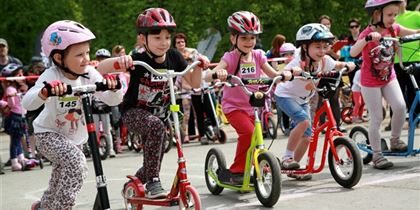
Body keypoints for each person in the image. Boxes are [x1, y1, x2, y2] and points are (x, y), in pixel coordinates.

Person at [97, 8, 209, 199]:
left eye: (167, 37)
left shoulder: (174, 57)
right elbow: (101, 68)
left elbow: (195, 83)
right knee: (157, 128)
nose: (164, 42)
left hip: (160, 115)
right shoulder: (138, 59)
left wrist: (199, 65)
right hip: (133, 113)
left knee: (156, 156)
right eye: (157, 38)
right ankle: (152, 182)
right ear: (143, 39)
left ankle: (136, 183)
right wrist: (121, 60)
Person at [22, 20, 122, 210]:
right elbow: (27, 102)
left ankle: (44, 206)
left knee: (60, 177)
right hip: (47, 134)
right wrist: (45, 92)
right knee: (76, 164)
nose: (86, 59)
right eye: (79, 55)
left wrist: (114, 87)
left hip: (75, 138)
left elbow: (113, 100)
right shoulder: (51, 75)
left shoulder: (89, 73)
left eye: (87, 53)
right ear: (59, 58)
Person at [204, 11, 291, 184]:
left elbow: (272, 73)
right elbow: (208, 76)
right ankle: (237, 170)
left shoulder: (258, 55)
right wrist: (218, 72)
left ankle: (256, 164)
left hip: (254, 106)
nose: (249, 42)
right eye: (244, 38)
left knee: (258, 137)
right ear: (233, 39)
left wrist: (283, 75)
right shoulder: (230, 57)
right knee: (249, 134)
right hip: (233, 108)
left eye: (252, 38)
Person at [275, 23, 355, 180]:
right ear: (305, 47)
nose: (322, 51)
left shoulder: (324, 60)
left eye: (325, 46)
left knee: (307, 137)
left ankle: (293, 168)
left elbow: (336, 64)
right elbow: (286, 72)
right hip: (286, 96)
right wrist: (293, 72)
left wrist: (347, 64)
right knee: (304, 122)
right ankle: (287, 158)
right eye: (317, 47)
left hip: (303, 99)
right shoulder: (298, 62)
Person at [350, 0, 420, 169]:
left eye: (395, 15)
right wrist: (367, 39)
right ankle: (377, 155)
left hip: (389, 76)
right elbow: (353, 52)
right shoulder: (368, 32)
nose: (393, 18)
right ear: (376, 14)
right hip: (370, 81)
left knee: (400, 106)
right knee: (377, 117)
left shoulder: (393, 28)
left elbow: (411, 32)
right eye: (390, 15)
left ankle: (395, 140)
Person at [386, 0, 420, 130]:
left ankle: (414, 120)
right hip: (395, 61)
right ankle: (393, 122)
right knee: (395, 92)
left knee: (414, 91)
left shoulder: (416, 15)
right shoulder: (391, 18)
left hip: (415, 58)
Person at [0, 63, 31, 171]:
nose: (22, 76)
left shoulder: (17, 88)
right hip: (14, 117)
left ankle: (21, 158)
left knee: (18, 138)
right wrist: (13, 97)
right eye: (19, 75)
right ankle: (14, 161)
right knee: (15, 140)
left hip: (21, 116)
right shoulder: (10, 89)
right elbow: (12, 104)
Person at [91, 48, 117, 157]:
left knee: (107, 129)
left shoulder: (109, 75)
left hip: (105, 106)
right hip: (94, 107)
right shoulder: (92, 74)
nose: (102, 61)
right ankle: (95, 151)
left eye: (105, 59)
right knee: (95, 130)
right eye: (100, 59)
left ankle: (110, 149)